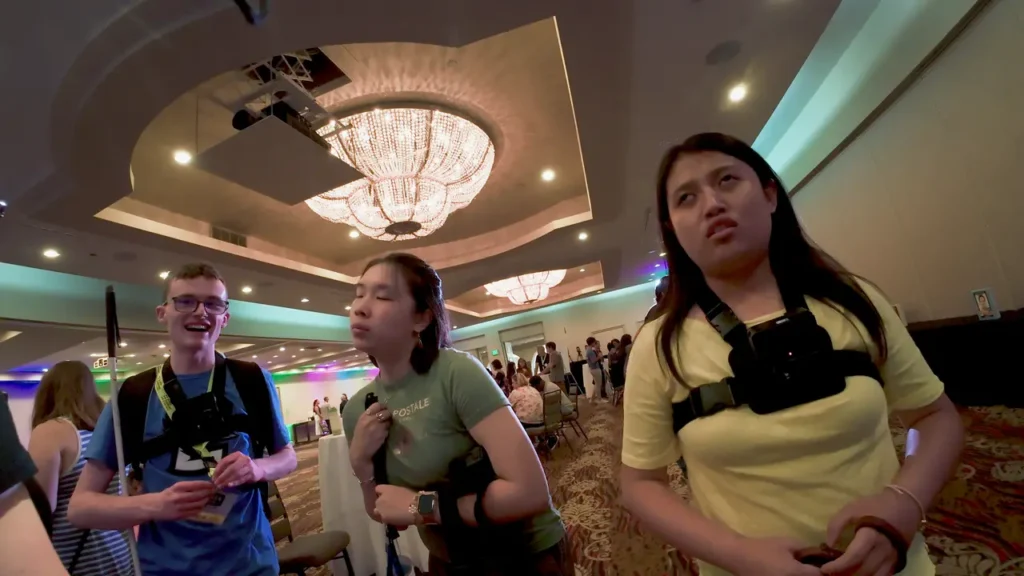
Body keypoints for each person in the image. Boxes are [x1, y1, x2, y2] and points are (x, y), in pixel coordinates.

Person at [619, 133, 964, 576]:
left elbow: (936, 417)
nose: (711, 204)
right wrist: (739, 555)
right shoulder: (658, 346)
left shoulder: (854, 302)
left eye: (727, 180)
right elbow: (640, 484)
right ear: (673, 229)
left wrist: (902, 503)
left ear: (769, 195)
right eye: (686, 198)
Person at [341, 252, 572, 575]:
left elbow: (530, 492)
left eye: (382, 295)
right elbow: (385, 509)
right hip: (449, 559)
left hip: (522, 553)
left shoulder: (455, 373)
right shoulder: (358, 409)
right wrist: (361, 464)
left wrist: (421, 506)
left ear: (421, 318)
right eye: (359, 293)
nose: (360, 307)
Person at [70, 262, 297, 575]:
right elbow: (81, 508)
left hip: (251, 564)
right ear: (163, 313)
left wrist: (258, 467)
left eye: (213, 303)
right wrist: (155, 505)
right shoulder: (132, 396)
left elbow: (287, 457)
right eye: (186, 301)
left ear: (225, 318)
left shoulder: (252, 380)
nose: (201, 312)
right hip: (166, 568)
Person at [27, 361, 132, 575]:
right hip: (119, 551)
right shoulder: (109, 434)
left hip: (74, 555)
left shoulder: (51, 432)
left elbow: (41, 509)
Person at [1, 392, 71, 576]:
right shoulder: (99, 428)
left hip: (68, 542)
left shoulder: (49, 432)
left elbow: (48, 503)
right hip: (111, 544)